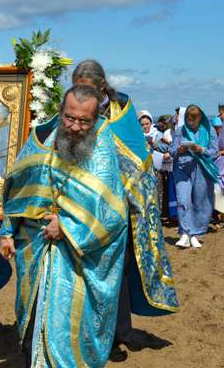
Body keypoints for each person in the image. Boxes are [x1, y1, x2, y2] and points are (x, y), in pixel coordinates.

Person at [0, 84, 129, 366]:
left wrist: (68, 227)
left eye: (84, 121)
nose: (75, 126)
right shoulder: (43, 137)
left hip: (76, 260)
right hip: (35, 251)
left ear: (96, 120)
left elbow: (113, 211)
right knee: (34, 322)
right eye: (69, 118)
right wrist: (7, 232)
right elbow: (17, 185)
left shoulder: (103, 146)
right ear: (61, 111)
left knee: (67, 325)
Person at [72, 59, 179, 361]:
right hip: (85, 204)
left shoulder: (122, 109)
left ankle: (116, 335)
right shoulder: (73, 108)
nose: (81, 93)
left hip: (120, 205)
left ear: (102, 86)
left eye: (87, 87)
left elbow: (136, 157)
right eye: (77, 86)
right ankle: (87, 332)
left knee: (114, 271)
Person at [169, 105, 218, 249]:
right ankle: (184, 233)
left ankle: (195, 234)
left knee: (201, 201)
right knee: (183, 199)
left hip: (202, 169)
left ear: (200, 118)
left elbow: (214, 151)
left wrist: (202, 150)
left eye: (194, 121)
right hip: (182, 169)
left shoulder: (210, 131)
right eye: (189, 120)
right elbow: (171, 151)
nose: (191, 123)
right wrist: (179, 150)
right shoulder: (180, 131)